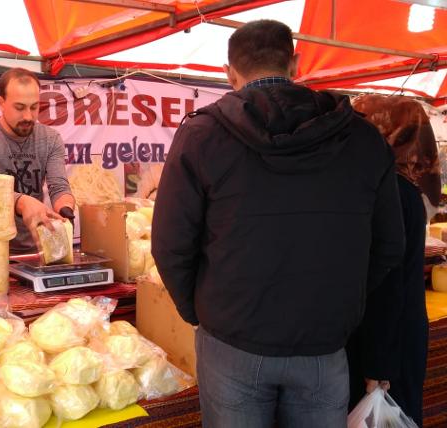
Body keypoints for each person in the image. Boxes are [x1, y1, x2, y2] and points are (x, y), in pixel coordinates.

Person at [151, 19, 406, 427]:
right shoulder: (362, 139)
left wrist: (198, 310)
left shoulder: (201, 136)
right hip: (322, 345)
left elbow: (170, 244)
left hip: (232, 341)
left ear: (229, 72)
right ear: (295, 63)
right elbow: (390, 245)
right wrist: (338, 299)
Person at [346, 94, 440, 427]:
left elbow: (386, 284)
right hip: (400, 329)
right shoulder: (403, 187)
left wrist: (377, 366)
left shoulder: (392, 193)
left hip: (388, 337)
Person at [0, 68, 75, 253]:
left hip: (37, 249)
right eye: (19, 107)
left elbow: (59, 187)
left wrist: (65, 210)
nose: (28, 116)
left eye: (34, 107)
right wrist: (23, 202)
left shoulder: (51, 139)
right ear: (1, 103)